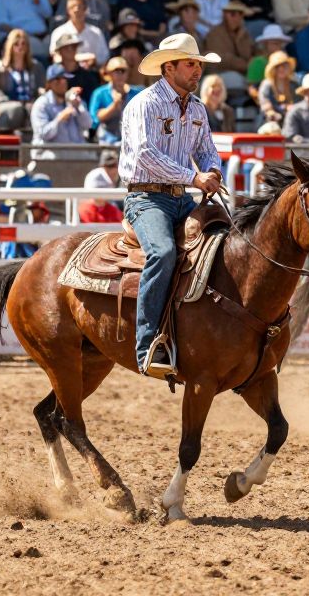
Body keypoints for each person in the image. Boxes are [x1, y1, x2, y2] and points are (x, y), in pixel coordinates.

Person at [119, 33, 222, 377]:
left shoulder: (197, 108)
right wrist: (194, 178)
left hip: (181, 198)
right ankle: (147, 344)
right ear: (169, 68)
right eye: (190, 64)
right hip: (146, 197)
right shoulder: (145, 104)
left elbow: (207, 150)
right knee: (162, 253)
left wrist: (213, 170)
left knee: (228, 241)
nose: (197, 71)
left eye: (198, 65)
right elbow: (145, 154)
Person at [30, 63, 93, 159]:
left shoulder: (73, 100)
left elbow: (88, 124)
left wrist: (78, 107)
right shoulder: (42, 104)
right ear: (49, 83)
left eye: (64, 79)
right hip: (49, 151)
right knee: (53, 157)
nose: (62, 82)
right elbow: (43, 134)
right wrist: (59, 119)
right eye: (58, 79)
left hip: (75, 151)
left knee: (91, 157)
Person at [0, 28, 44, 133]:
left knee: (35, 108)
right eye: (16, 44)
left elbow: (41, 87)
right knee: (17, 109)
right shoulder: (0, 67)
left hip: (30, 103)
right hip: (7, 103)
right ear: (10, 46)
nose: (20, 47)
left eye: (23, 44)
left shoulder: (36, 67)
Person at [203, 0, 255, 97]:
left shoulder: (244, 34)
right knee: (237, 80)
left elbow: (252, 52)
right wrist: (247, 65)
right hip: (218, 75)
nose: (237, 17)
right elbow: (222, 59)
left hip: (243, 73)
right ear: (225, 15)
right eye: (232, 14)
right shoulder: (215, 33)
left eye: (240, 14)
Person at [90, 56, 142, 144]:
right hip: (107, 143)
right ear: (109, 73)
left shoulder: (138, 93)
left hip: (133, 143)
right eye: (116, 71)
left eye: (123, 71)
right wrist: (114, 106)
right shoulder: (100, 93)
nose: (120, 74)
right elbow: (95, 119)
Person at [50, 0, 109, 65]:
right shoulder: (59, 32)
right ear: (67, 11)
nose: (76, 10)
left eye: (79, 7)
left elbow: (104, 56)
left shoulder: (96, 33)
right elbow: (55, 57)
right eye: (72, 7)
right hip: (66, 70)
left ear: (85, 9)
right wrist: (84, 57)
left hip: (92, 69)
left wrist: (93, 61)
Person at [52, 31, 101, 99]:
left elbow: (94, 99)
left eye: (73, 47)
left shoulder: (87, 76)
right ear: (59, 51)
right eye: (66, 47)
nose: (70, 50)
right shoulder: (54, 75)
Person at [247, 24, 291, 94]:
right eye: (275, 43)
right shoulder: (257, 63)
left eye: (280, 44)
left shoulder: (286, 62)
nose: (278, 47)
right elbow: (252, 89)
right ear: (265, 45)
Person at [257, 49, 297, 127]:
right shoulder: (267, 85)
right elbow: (265, 104)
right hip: (269, 120)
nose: (281, 69)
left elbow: (299, 103)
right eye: (277, 66)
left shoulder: (293, 85)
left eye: (284, 66)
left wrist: (291, 108)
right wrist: (272, 113)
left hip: (290, 119)